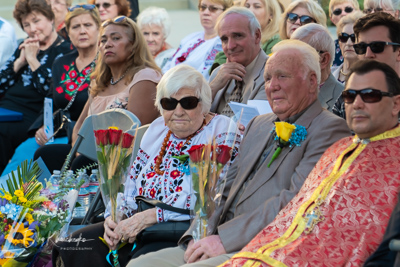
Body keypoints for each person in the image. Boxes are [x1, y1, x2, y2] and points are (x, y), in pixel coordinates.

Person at [127, 40, 350, 267]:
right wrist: (198, 234)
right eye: (268, 78)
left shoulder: (330, 129)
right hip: (216, 239)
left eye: (283, 76)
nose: (272, 86)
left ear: (313, 81)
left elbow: (295, 201)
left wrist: (224, 239)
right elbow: (221, 188)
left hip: (265, 247)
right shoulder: (258, 124)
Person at [53, 64, 241, 266]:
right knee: (73, 245)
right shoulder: (158, 129)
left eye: (188, 102)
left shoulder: (222, 130)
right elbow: (131, 181)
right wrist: (115, 215)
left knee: (140, 259)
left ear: (203, 105)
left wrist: (153, 215)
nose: (178, 111)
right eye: (169, 103)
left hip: (181, 229)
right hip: (138, 222)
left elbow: (213, 196)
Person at [220, 59, 400, 267]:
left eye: (369, 95)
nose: (357, 104)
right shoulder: (338, 148)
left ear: (396, 104)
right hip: (273, 251)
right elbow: (296, 210)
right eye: (350, 96)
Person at [34, 15, 161, 173]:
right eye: (103, 40)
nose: (108, 44)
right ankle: (46, 197)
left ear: (133, 45)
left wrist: (84, 155)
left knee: (82, 162)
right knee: (45, 154)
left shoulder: (145, 77)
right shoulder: (100, 82)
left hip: (125, 159)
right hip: (91, 154)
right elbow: (80, 125)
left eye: (115, 38)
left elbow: (133, 136)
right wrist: (78, 150)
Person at [1, 5, 101, 176]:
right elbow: (50, 99)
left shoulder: (104, 64)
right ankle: (8, 199)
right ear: (68, 32)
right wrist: (42, 126)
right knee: (24, 151)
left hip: (83, 133)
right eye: (76, 27)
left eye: (88, 25)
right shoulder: (62, 62)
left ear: (99, 29)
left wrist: (32, 61)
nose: (82, 31)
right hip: (54, 127)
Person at [0, 0, 71, 175]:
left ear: (50, 19)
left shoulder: (65, 51)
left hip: (32, 116)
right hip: (6, 109)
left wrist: (33, 61)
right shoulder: (23, 46)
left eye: (36, 21)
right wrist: (19, 62)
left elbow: (53, 91)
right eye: (26, 24)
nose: (32, 29)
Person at [333, 11, 400, 119]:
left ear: (398, 52)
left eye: (377, 46)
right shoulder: (347, 97)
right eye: (361, 47)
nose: (368, 55)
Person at [209, 7, 267, 117]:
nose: (230, 46)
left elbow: (255, 125)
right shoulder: (218, 74)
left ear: (257, 36)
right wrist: (212, 88)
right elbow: (192, 120)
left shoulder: (272, 75)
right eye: (224, 39)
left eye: (238, 36)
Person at [161, 0, 233, 80]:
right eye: (202, 7)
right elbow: (169, 64)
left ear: (226, 12)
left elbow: (205, 77)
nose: (205, 12)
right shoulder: (190, 38)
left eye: (213, 8)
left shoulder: (222, 43)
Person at [209, 0, 282, 74]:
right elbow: (220, 58)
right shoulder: (229, 34)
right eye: (247, 6)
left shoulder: (277, 40)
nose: (250, 10)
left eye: (257, 6)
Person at [291, 23, 344, 112]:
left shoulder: (344, 99)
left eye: (299, 55)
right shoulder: (286, 90)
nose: (290, 61)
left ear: (323, 59)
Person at [332, 11, 363, 83]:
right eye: (344, 37)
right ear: (339, 43)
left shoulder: (370, 78)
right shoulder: (328, 74)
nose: (348, 43)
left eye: (354, 38)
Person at [328, 0, 359, 71]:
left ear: (358, 12)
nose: (343, 14)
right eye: (337, 11)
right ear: (331, 19)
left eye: (348, 9)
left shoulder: (368, 46)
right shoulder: (327, 49)